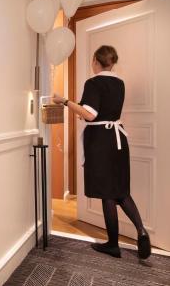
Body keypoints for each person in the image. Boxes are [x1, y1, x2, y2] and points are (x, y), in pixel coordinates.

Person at [53, 45, 151, 259]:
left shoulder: (93, 82)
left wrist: (65, 101)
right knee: (121, 190)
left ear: (96, 61)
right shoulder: (119, 82)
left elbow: (90, 115)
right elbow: (101, 110)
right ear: (112, 62)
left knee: (107, 192)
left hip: (102, 142)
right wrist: (82, 107)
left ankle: (113, 244)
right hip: (118, 140)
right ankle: (141, 231)